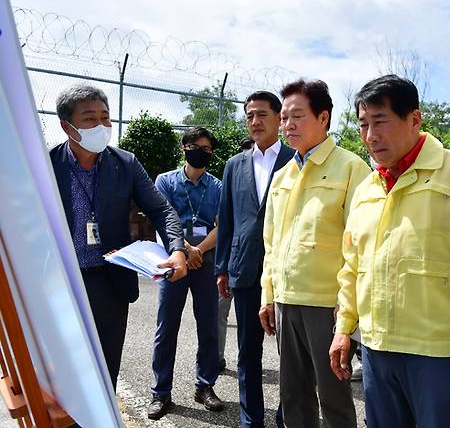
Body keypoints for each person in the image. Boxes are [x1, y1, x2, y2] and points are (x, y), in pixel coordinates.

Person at [329, 74, 450, 428]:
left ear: (414, 119)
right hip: (377, 348)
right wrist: (343, 328)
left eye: (380, 121)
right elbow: (353, 265)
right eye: (363, 124)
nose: (370, 135)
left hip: (436, 350)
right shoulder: (367, 187)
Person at [50, 84, 187, 391]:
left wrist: (177, 249)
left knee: (105, 368)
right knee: (64, 372)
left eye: (106, 118)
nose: (101, 126)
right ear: (66, 126)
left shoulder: (125, 163)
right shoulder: (47, 165)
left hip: (109, 283)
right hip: (61, 283)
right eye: (89, 119)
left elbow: (161, 209)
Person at [259, 79, 370, 428]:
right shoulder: (283, 176)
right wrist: (268, 295)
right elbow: (272, 243)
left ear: (323, 118)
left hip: (328, 305)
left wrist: (348, 304)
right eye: (285, 118)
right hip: (287, 301)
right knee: (293, 395)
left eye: (297, 116)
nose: (287, 125)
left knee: (334, 396)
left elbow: (360, 243)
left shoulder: (351, 169)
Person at [215, 91, 294, 428]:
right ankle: (251, 419)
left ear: (279, 118)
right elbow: (227, 218)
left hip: (288, 273)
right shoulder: (235, 165)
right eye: (249, 116)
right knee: (248, 352)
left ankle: (287, 416)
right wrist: (222, 267)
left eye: (262, 114)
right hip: (245, 269)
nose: (255, 122)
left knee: (291, 356)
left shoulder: (296, 160)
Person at [147, 127, 225, 419]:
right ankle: (160, 392)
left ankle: (205, 386)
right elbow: (162, 219)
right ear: (184, 148)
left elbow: (222, 225)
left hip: (205, 261)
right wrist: (184, 250)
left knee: (208, 325)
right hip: (174, 262)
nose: (201, 151)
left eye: (207, 148)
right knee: (166, 327)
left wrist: (198, 251)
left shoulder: (217, 186)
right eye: (196, 146)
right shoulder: (165, 181)